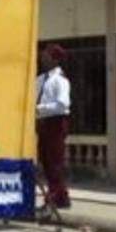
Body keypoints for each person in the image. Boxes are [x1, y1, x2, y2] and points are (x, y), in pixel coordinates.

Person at [35, 43, 72, 210]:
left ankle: (56, 196)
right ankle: (58, 196)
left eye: (47, 56)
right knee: (45, 160)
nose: (43, 59)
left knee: (55, 161)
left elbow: (63, 104)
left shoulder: (60, 80)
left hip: (56, 123)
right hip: (42, 124)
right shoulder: (40, 79)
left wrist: (40, 109)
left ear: (55, 60)